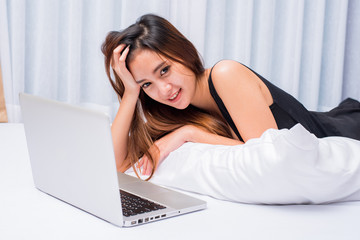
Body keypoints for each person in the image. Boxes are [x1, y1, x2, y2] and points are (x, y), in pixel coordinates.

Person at [101, 14, 360, 179]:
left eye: (165, 70)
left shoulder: (226, 74)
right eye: (147, 84)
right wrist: (130, 92)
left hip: (347, 129)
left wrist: (188, 134)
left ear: (183, 51)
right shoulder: (172, 110)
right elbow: (117, 166)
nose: (163, 90)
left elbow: (268, 155)